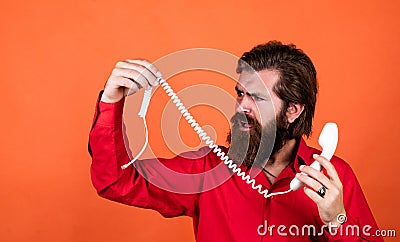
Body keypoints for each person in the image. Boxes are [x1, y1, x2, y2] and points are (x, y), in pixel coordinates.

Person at [88, 41, 382, 241]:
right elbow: (115, 180)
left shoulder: (335, 176)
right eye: (240, 93)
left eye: (256, 98)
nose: (241, 106)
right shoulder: (207, 168)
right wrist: (112, 99)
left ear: (292, 110)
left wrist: (337, 220)